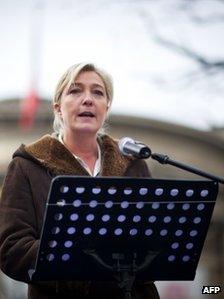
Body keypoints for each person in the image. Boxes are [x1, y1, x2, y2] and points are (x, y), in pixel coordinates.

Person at [0, 62, 160, 299]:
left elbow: (154, 240)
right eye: (75, 90)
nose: (88, 99)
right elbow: (11, 249)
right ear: (58, 108)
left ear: (106, 108)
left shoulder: (134, 164)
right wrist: (76, 259)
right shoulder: (27, 165)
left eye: (98, 92)